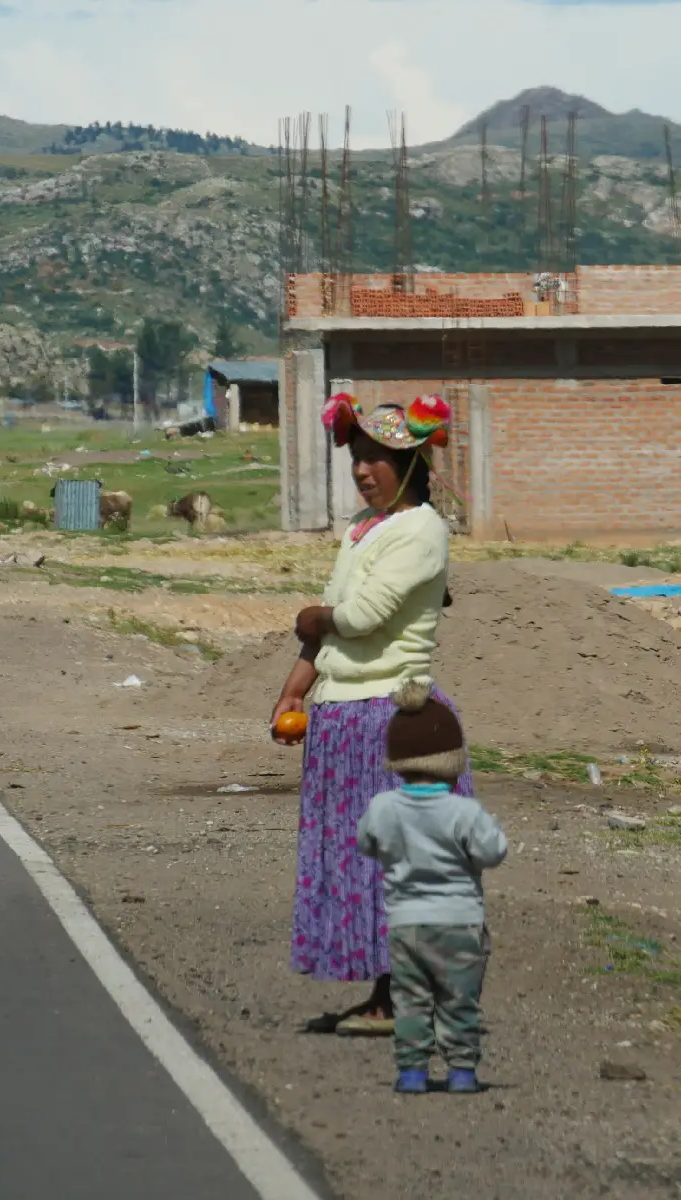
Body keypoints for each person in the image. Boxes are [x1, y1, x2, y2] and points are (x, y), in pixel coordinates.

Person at [271, 392, 475, 1036]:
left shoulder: (421, 530)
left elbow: (356, 619)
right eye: (357, 458)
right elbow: (329, 625)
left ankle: (404, 999)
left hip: (390, 715)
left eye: (377, 460)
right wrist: (294, 689)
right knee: (359, 859)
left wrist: (311, 617)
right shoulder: (362, 530)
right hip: (341, 716)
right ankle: (392, 994)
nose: (363, 470)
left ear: (410, 464)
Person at [357, 682, 507, 1093]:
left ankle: (412, 1073)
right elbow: (494, 852)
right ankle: (461, 1072)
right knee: (460, 1002)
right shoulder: (464, 812)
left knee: (411, 1002)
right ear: (453, 759)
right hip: (460, 924)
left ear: (397, 761)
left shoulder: (384, 807)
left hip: (407, 925)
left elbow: (367, 843)